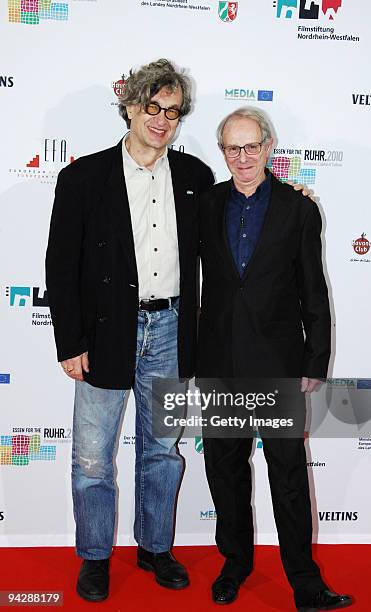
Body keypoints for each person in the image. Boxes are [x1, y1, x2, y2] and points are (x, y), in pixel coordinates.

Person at [45, 58, 214, 602]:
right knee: (93, 457)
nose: (162, 120)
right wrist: (70, 342)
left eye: (172, 110)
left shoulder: (193, 177)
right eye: (152, 107)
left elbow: (235, 221)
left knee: (162, 448)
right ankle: (95, 557)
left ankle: (154, 548)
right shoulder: (83, 177)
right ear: (130, 107)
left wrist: (291, 202)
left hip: (170, 328)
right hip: (105, 331)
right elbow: (60, 266)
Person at [196, 107, 353, 611]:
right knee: (225, 469)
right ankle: (235, 562)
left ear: (268, 147)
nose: (242, 158)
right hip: (219, 361)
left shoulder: (298, 208)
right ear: (222, 153)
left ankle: (305, 581)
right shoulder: (205, 204)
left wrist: (315, 360)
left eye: (250, 147)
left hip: (278, 362)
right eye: (231, 149)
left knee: (287, 473)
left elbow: (314, 290)